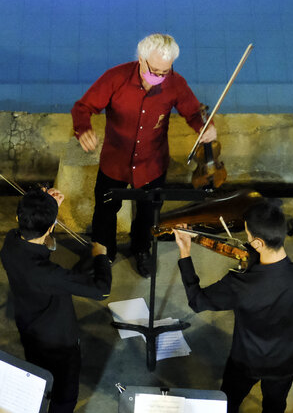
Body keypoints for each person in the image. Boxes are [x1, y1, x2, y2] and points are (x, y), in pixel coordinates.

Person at [174, 199, 293, 413]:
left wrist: (185, 253)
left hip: (247, 361)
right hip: (287, 359)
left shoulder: (239, 285)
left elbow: (197, 301)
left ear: (258, 243)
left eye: (248, 235)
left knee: (228, 405)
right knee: (275, 409)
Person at [72, 33, 216, 277]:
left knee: (148, 213)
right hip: (116, 160)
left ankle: (141, 249)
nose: (160, 77)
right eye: (155, 70)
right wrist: (83, 129)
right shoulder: (115, 77)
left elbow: (193, 112)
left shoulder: (175, 83)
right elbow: (83, 107)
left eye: (165, 72)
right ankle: (103, 252)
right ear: (141, 59)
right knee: (105, 210)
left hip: (153, 162)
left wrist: (204, 126)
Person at [0, 189, 111, 413]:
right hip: (58, 340)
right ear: (51, 227)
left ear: (18, 218)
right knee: (64, 395)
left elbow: (43, 240)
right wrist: (101, 256)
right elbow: (101, 289)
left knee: (40, 382)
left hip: (28, 326)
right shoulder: (48, 275)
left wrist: (48, 207)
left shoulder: (10, 243)